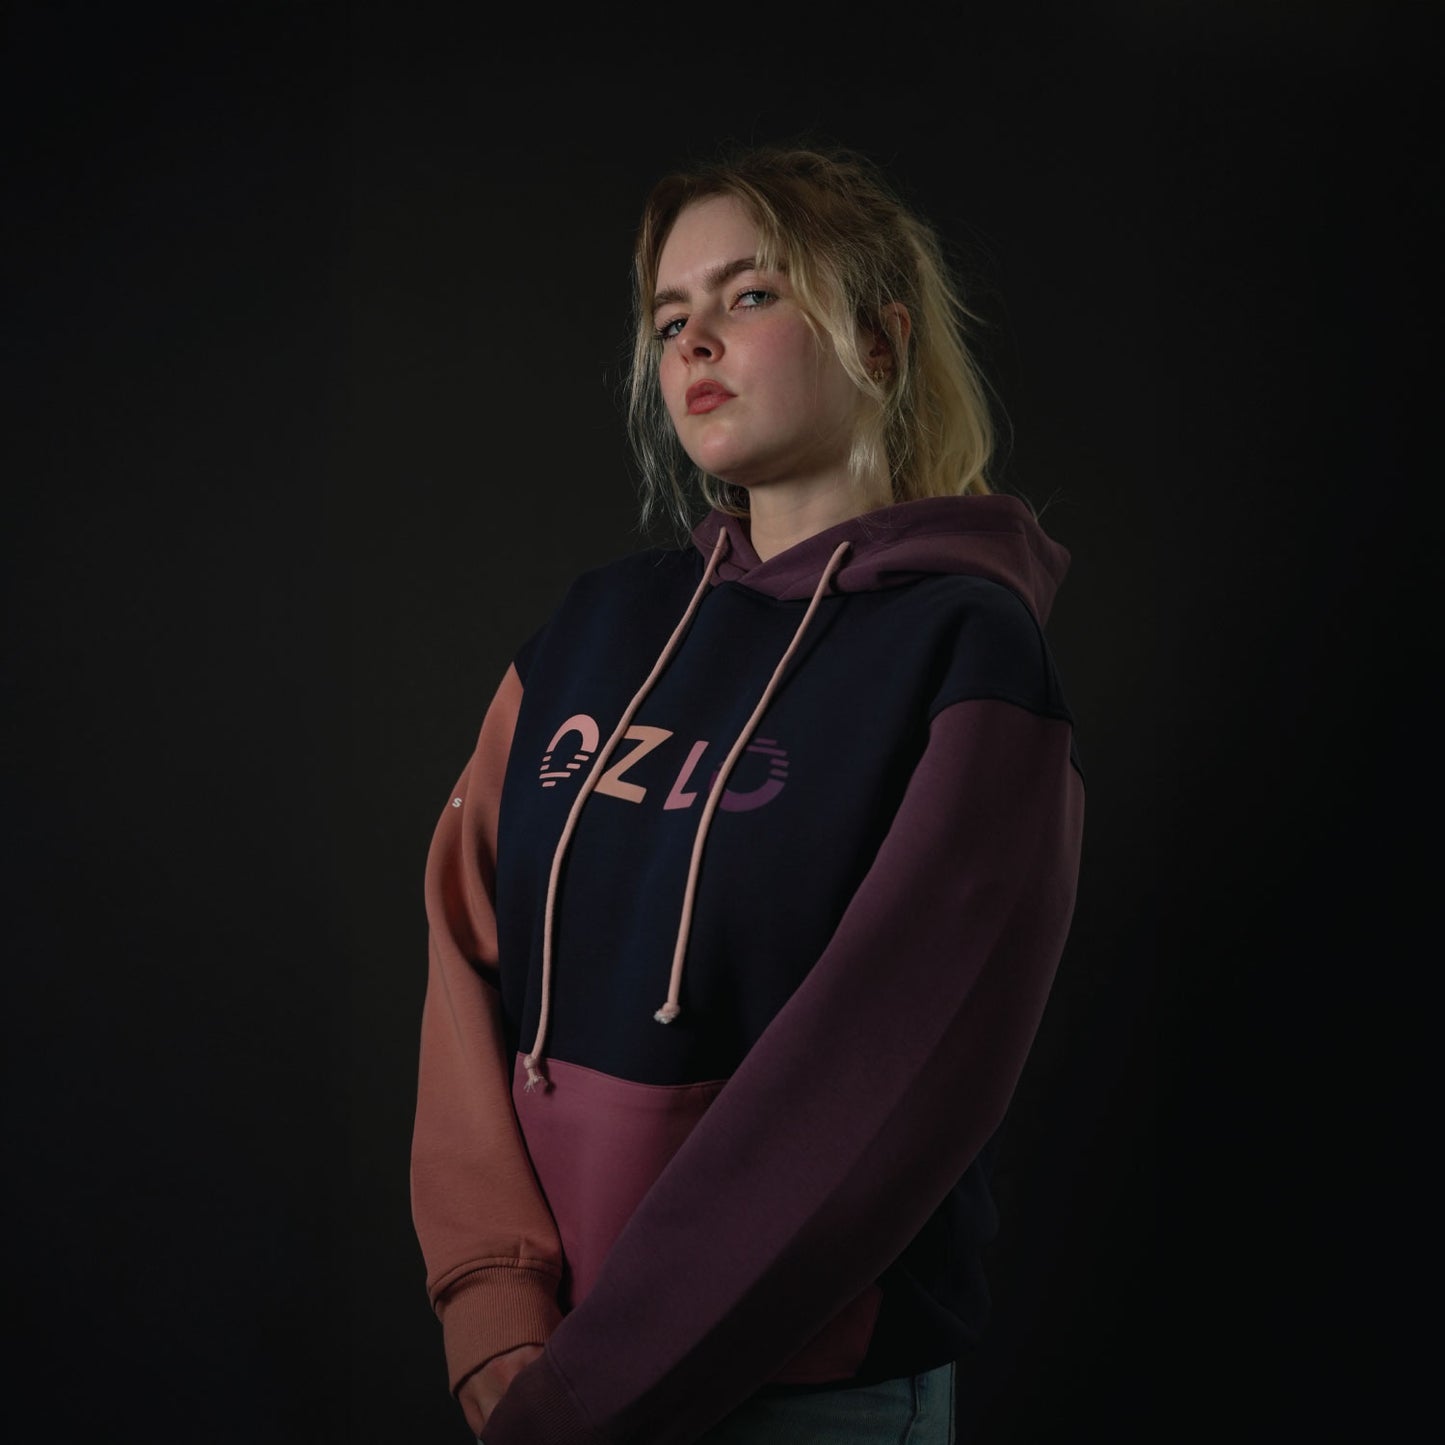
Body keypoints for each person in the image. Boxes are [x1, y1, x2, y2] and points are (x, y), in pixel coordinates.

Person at [411, 144, 1084, 1445]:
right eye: (672, 318)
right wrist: (490, 1302)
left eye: (751, 295)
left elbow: (881, 1082)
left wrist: (585, 1398)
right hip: (533, 1365)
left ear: (878, 342)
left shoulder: (966, 655)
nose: (696, 342)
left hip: (803, 1393)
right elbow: (460, 948)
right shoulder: (593, 631)